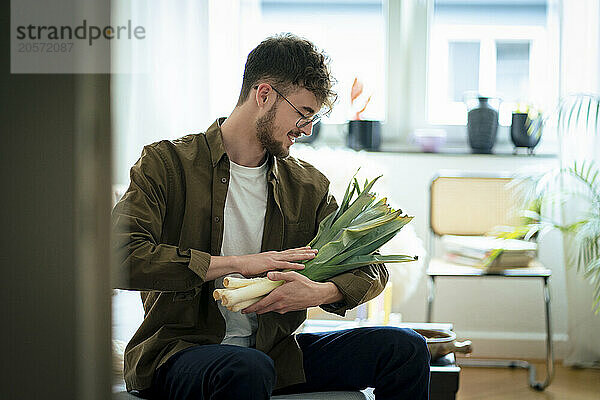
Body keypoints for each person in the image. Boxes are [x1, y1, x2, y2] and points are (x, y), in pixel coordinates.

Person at [113, 33, 430, 399]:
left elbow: (373, 267)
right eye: (304, 114)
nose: (308, 130)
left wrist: (320, 291)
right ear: (263, 95)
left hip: (276, 355)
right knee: (246, 368)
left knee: (404, 347)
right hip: (180, 352)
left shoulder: (307, 185)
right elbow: (119, 256)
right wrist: (237, 263)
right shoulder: (166, 165)